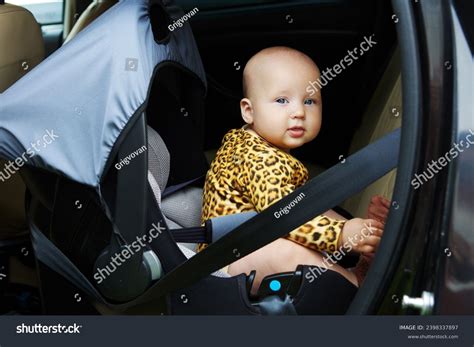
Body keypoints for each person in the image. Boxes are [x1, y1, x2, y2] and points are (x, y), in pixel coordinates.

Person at [198, 46, 389, 294]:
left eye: (309, 101)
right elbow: (284, 219)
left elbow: (294, 209)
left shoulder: (251, 140)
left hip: (253, 235)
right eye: (281, 101)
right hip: (225, 261)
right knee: (284, 250)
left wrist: (349, 229)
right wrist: (341, 235)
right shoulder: (258, 160)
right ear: (248, 110)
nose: (299, 112)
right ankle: (353, 283)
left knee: (312, 204)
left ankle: (367, 239)